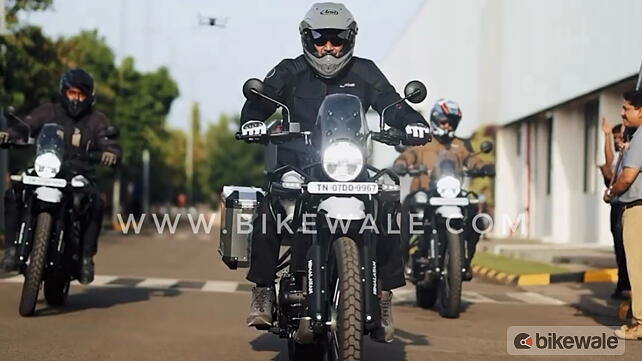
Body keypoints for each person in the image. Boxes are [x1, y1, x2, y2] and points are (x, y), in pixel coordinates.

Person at [239, 2, 430, 342]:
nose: (328, 47)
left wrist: (414, 123)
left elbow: (394, 105)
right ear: (307, 39)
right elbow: (260, 101)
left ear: (349, 39)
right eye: (320, 40)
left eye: (336, 40)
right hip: (298, 166)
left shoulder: (366, 72)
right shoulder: (289, 71)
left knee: (387, 198)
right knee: (269, 208)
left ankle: (384, 294)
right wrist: (252, 121)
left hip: (349, 169)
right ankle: (264, 288)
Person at [0, 68, 120, 285]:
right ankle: (10, 249)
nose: (76, 99)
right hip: (45, 168)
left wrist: (110, 153)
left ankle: (85, 258)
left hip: (79, 174)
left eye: (81, 94)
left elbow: (108, 141)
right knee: (14, 191)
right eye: (72, 93)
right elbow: (26, 125)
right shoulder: (48, 111)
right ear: (64, 92)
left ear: (89, 97)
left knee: (95, 201)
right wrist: (9, 134)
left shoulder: (97, 120)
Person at [393, 99, 494, 280]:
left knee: (474, 216)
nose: (446, 125)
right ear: (434, 120)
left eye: (451, 121)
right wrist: (401, 164)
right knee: (404, 217)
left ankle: (465, 262)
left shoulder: (460, 144)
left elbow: (471, 158)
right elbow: (407, 155)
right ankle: (403, 262)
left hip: (451, 193)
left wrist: (483, 166)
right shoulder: (422, 141)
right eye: (443, 121)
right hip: (424, 193)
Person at [603, 89, 642, 340]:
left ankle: (640, 323)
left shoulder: (639, 137)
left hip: (636, 208)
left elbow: (627, 177)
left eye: (626, 108)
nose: (622, 113)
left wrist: (611, 193)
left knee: (637, 268)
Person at [598, 120, 631, 299]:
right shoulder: (618, 158)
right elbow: (609, 160)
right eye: (615, 138)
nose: (618, 140)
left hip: (628, 205)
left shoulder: (631, 152)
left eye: (620, 137)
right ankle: (622, 284)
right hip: (616, 206)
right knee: (619, 247)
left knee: (629, 247)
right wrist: (606, 135)